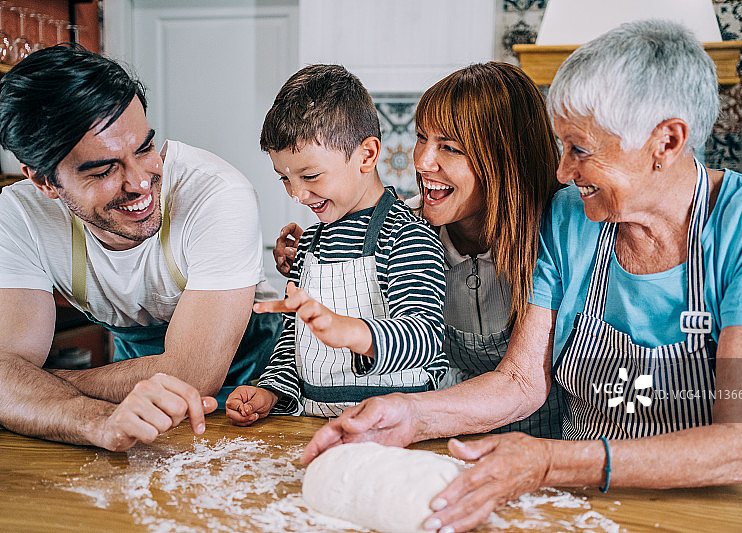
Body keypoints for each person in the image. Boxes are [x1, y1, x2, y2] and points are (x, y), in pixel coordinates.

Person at [302, 20, 742, 533]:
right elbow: (520, 381)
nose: (561, 172)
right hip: (583, 504)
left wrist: (548, 461)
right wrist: (409, 414)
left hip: (737, 506)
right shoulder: (570, 216)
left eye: (580, 149)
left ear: (666, 142)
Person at [0, 45, 282, 451]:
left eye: (145, 148)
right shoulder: (19, 216)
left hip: (256, 397)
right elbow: (7, 370)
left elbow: (191, 375)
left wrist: (43, 385)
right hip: (134, 403)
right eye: (104, 169)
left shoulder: (217, 195)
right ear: (44, 182)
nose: (140, 183)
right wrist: (96, 419)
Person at [272, 61, 565, 436]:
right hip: (442, 437)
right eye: (421, 138)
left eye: (450, 148)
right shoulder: (406, 229)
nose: (422, 161)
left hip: (542, 443)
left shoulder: (556, 239)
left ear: (507, 160)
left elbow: (521, 382)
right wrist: (313, 255)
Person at [224, 65, 448, 422]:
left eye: (310, 175)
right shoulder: (309, 245)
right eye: (285, 178)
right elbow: (292, 345)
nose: (296, 193)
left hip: (398, 427)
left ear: (367, 155)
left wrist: (352, 331)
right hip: (314, 422)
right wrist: (271, 390)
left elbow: (424, 338)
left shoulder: (406, 234)